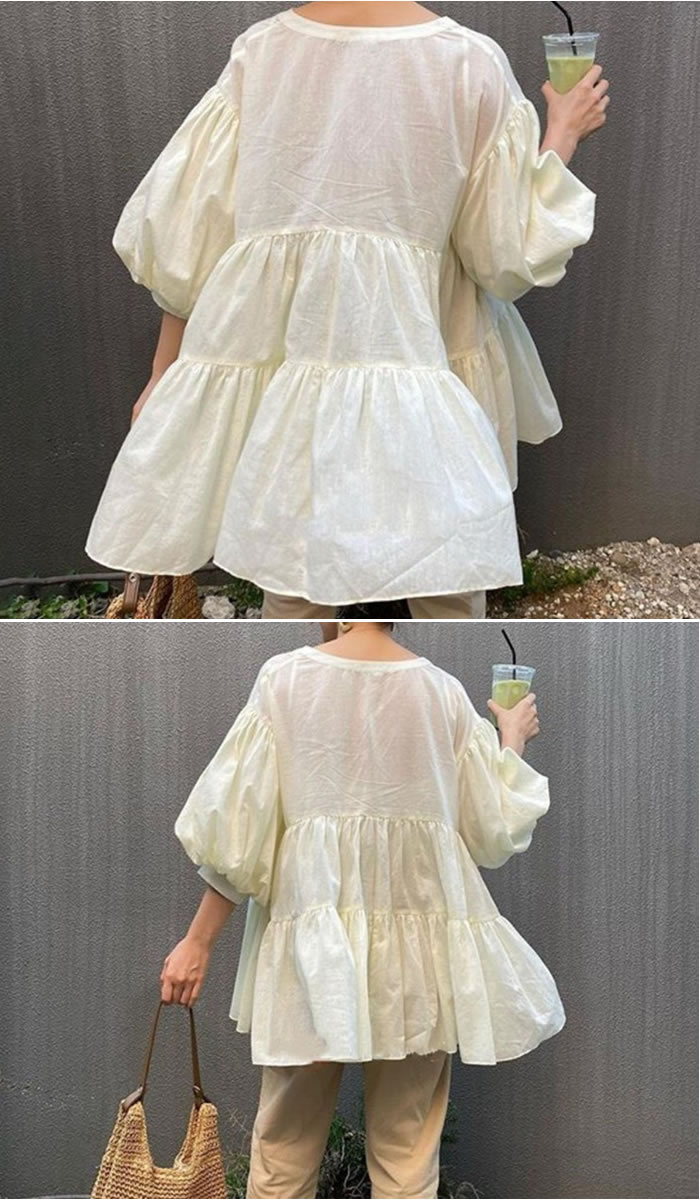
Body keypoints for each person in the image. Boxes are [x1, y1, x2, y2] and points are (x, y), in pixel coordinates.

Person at [85, 1, 609, 620]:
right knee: (448, 561)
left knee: (293, 565)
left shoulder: (262, 52)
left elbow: (191, 235)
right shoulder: (469, 63)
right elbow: (503, 254)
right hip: (421, 348)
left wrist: (164, 371)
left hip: (295, 358)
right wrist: (562, 134)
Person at [161, 620, 564, 1199]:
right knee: (407, 1154)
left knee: (284, 1148)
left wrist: (198, 941)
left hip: (312, 951)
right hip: (420, 958)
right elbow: (492, 828)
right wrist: (512, 738)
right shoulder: (443, 692)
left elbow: (240, 834)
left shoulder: (284, 680)